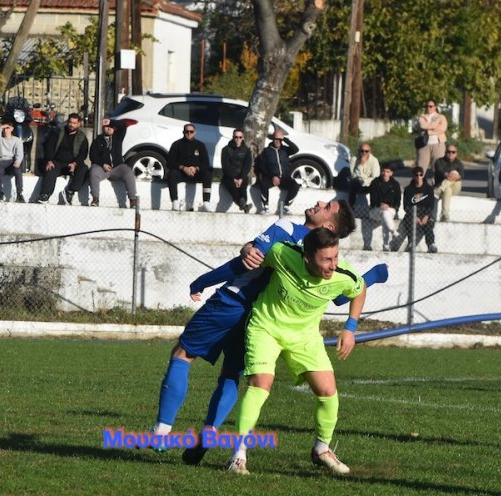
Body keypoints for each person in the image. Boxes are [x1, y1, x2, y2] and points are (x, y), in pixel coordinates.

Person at [148, 200, 364, 461]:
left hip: (232, 301)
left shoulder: (287, 230)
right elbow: (341, 295)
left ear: (329, 225)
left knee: (182, 354)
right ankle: (210, 431)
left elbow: (246, 262)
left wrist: (202, 281)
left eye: (328, 205)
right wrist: (373, 278)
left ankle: (161, 430)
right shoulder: (323, 256)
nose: (319, 202)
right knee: (230, 374)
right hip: (257, 318)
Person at [225, 227, 366, 476]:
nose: (333, 265)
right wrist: (247, 249)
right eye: (326, 259)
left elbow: (360, 288)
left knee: (328, 392)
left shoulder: (343, 275)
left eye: (335, 257)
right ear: (307, 258)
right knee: (260, 385)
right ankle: (238, 456)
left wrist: (350, 328)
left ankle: (321, 450)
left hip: (305, 336)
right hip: (266, 327)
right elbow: (254, 249)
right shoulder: (283, 254)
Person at [37, 113, 88, 205]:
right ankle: (45, 195)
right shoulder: (58, 132)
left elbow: (83, 154)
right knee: (50, 168)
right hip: (57, 162)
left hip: (72, 164)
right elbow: (49, 147)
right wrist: (49, 160)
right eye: (70, 122)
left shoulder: (82, 137)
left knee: (83, 168)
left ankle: (70, 192)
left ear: (79, 124)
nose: (71, 125)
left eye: (74, 123)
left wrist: (75, 163)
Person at [87, 118, 137, 208]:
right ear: (103, 128)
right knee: (93, 172)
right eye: (107, 127)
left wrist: (111, 122)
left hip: (117, 167)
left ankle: (133, 200)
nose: (109, 128)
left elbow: (123, 126)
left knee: (128, 172)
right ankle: (95, 199)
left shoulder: (118, 137)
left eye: (111, 127)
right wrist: (103, 164)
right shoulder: (97, 140)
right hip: (102, 168)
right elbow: (93, 156)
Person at [389, 167, 436, 253]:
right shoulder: (408, 189)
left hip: (425, 213)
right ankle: (411, 243)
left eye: (420, 175)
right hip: (412, 213)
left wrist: (426, 216)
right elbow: (406, 206)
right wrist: (415, 216)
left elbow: (431, 205)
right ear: (413, 176)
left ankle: (431, 245)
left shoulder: (429, 189)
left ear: (423, 175)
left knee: (429, 224)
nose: (418, 177)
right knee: (409, 222)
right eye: (416, 175)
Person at [166, 123, 212, 211]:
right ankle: (174, 201)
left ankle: (206, 202)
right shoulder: (176, 144)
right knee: (172, 174)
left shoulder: (200, 145)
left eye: (191, 131)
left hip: (196, 173)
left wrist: (196, 168)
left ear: (195, 133)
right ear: (183, 132)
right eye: (187, 131)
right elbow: (170, 162)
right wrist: (183, 168)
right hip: (181, 173)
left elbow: (206, 163)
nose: (189, 133)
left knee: (207, 174)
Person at [255, 129, 300, 215]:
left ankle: (286, 206)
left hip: (284, 178)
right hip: (271, 178)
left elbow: (296, 149)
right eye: (276, 139)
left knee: (295, 185)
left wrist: (285, 139)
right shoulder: (266, 151)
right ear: (272, 139)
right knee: (263, 183)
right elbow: (262, 167)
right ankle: (265, 207)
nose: (278, 141)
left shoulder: (285, 150)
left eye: (280, 139)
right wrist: (273, 176)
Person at [368, 163, 402, 252]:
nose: (385, 173)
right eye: (383, 171)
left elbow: (397, 201)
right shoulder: (375, 182)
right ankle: (392, 232)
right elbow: (373, 199)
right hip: (375, 210)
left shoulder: (395, 184)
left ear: (391, 173)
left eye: (387, 172)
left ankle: (386, 244)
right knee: (384, 214)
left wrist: (389, 206)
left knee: (385, 214)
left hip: (390, 209)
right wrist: (381, 204)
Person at [219, 128, 252, 213]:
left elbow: (247, 166)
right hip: (229, 177)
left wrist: (241, 178)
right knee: (234, 190)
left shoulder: (247, 150)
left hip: (242, 176)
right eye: (236, 137)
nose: (238, 139)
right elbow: (225, 166)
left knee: (243, 189)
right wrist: (233, 178)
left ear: (243, 138)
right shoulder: (226, 150)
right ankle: (244, 206)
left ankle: (243, 203)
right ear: (233, 137)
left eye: (240, 137)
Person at [0, 119, 26, 202]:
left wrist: (17, 162)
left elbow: (20, 153)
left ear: (12, 129)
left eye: (7, 128)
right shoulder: (0, 139)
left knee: (18, 171)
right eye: (4, 128)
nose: (5, 130)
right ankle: (0, 193)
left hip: (11, 160)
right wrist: (0, 128)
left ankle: (19, 194)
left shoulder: (17, 140)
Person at [349, 143, 380, 222]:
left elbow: (375, 177)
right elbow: (353, 176)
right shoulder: (354, 159)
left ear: (369, 151)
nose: (364, 153)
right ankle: (350, 209)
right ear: (359, 151)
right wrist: (361, 164)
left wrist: (365, 180)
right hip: (358, 183)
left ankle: (374, 209)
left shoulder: (374, 161)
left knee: (375, 184)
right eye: (362, 151)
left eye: (366, 151)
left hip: (369, 184)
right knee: (353, 183)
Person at [432, 145, 464, 222]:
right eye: (448, 152)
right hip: (444, 186)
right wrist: (446, 175)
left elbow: (461, 175)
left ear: (456, 153)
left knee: (455, 172)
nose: (450, 154)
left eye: (453, 152)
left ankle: (438, 191)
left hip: (455, 187)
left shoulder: (459, 163)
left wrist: (453, 176)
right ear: (445, 152)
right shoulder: (439, 161)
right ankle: (444, 215)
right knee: (448, 190)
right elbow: (439, 171)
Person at [415, 100, 448, 172]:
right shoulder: (422, 117)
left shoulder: (441, 117)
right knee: (421, 167)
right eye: (426, 106)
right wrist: (435, 125)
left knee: (437, 167)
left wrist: (429, 131)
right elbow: (422, 125)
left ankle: (436, 183)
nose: (428, 108)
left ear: (435, 107)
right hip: (423, 144)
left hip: (438, 144)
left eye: (431, 106)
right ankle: (419, 182)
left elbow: (442, 128)